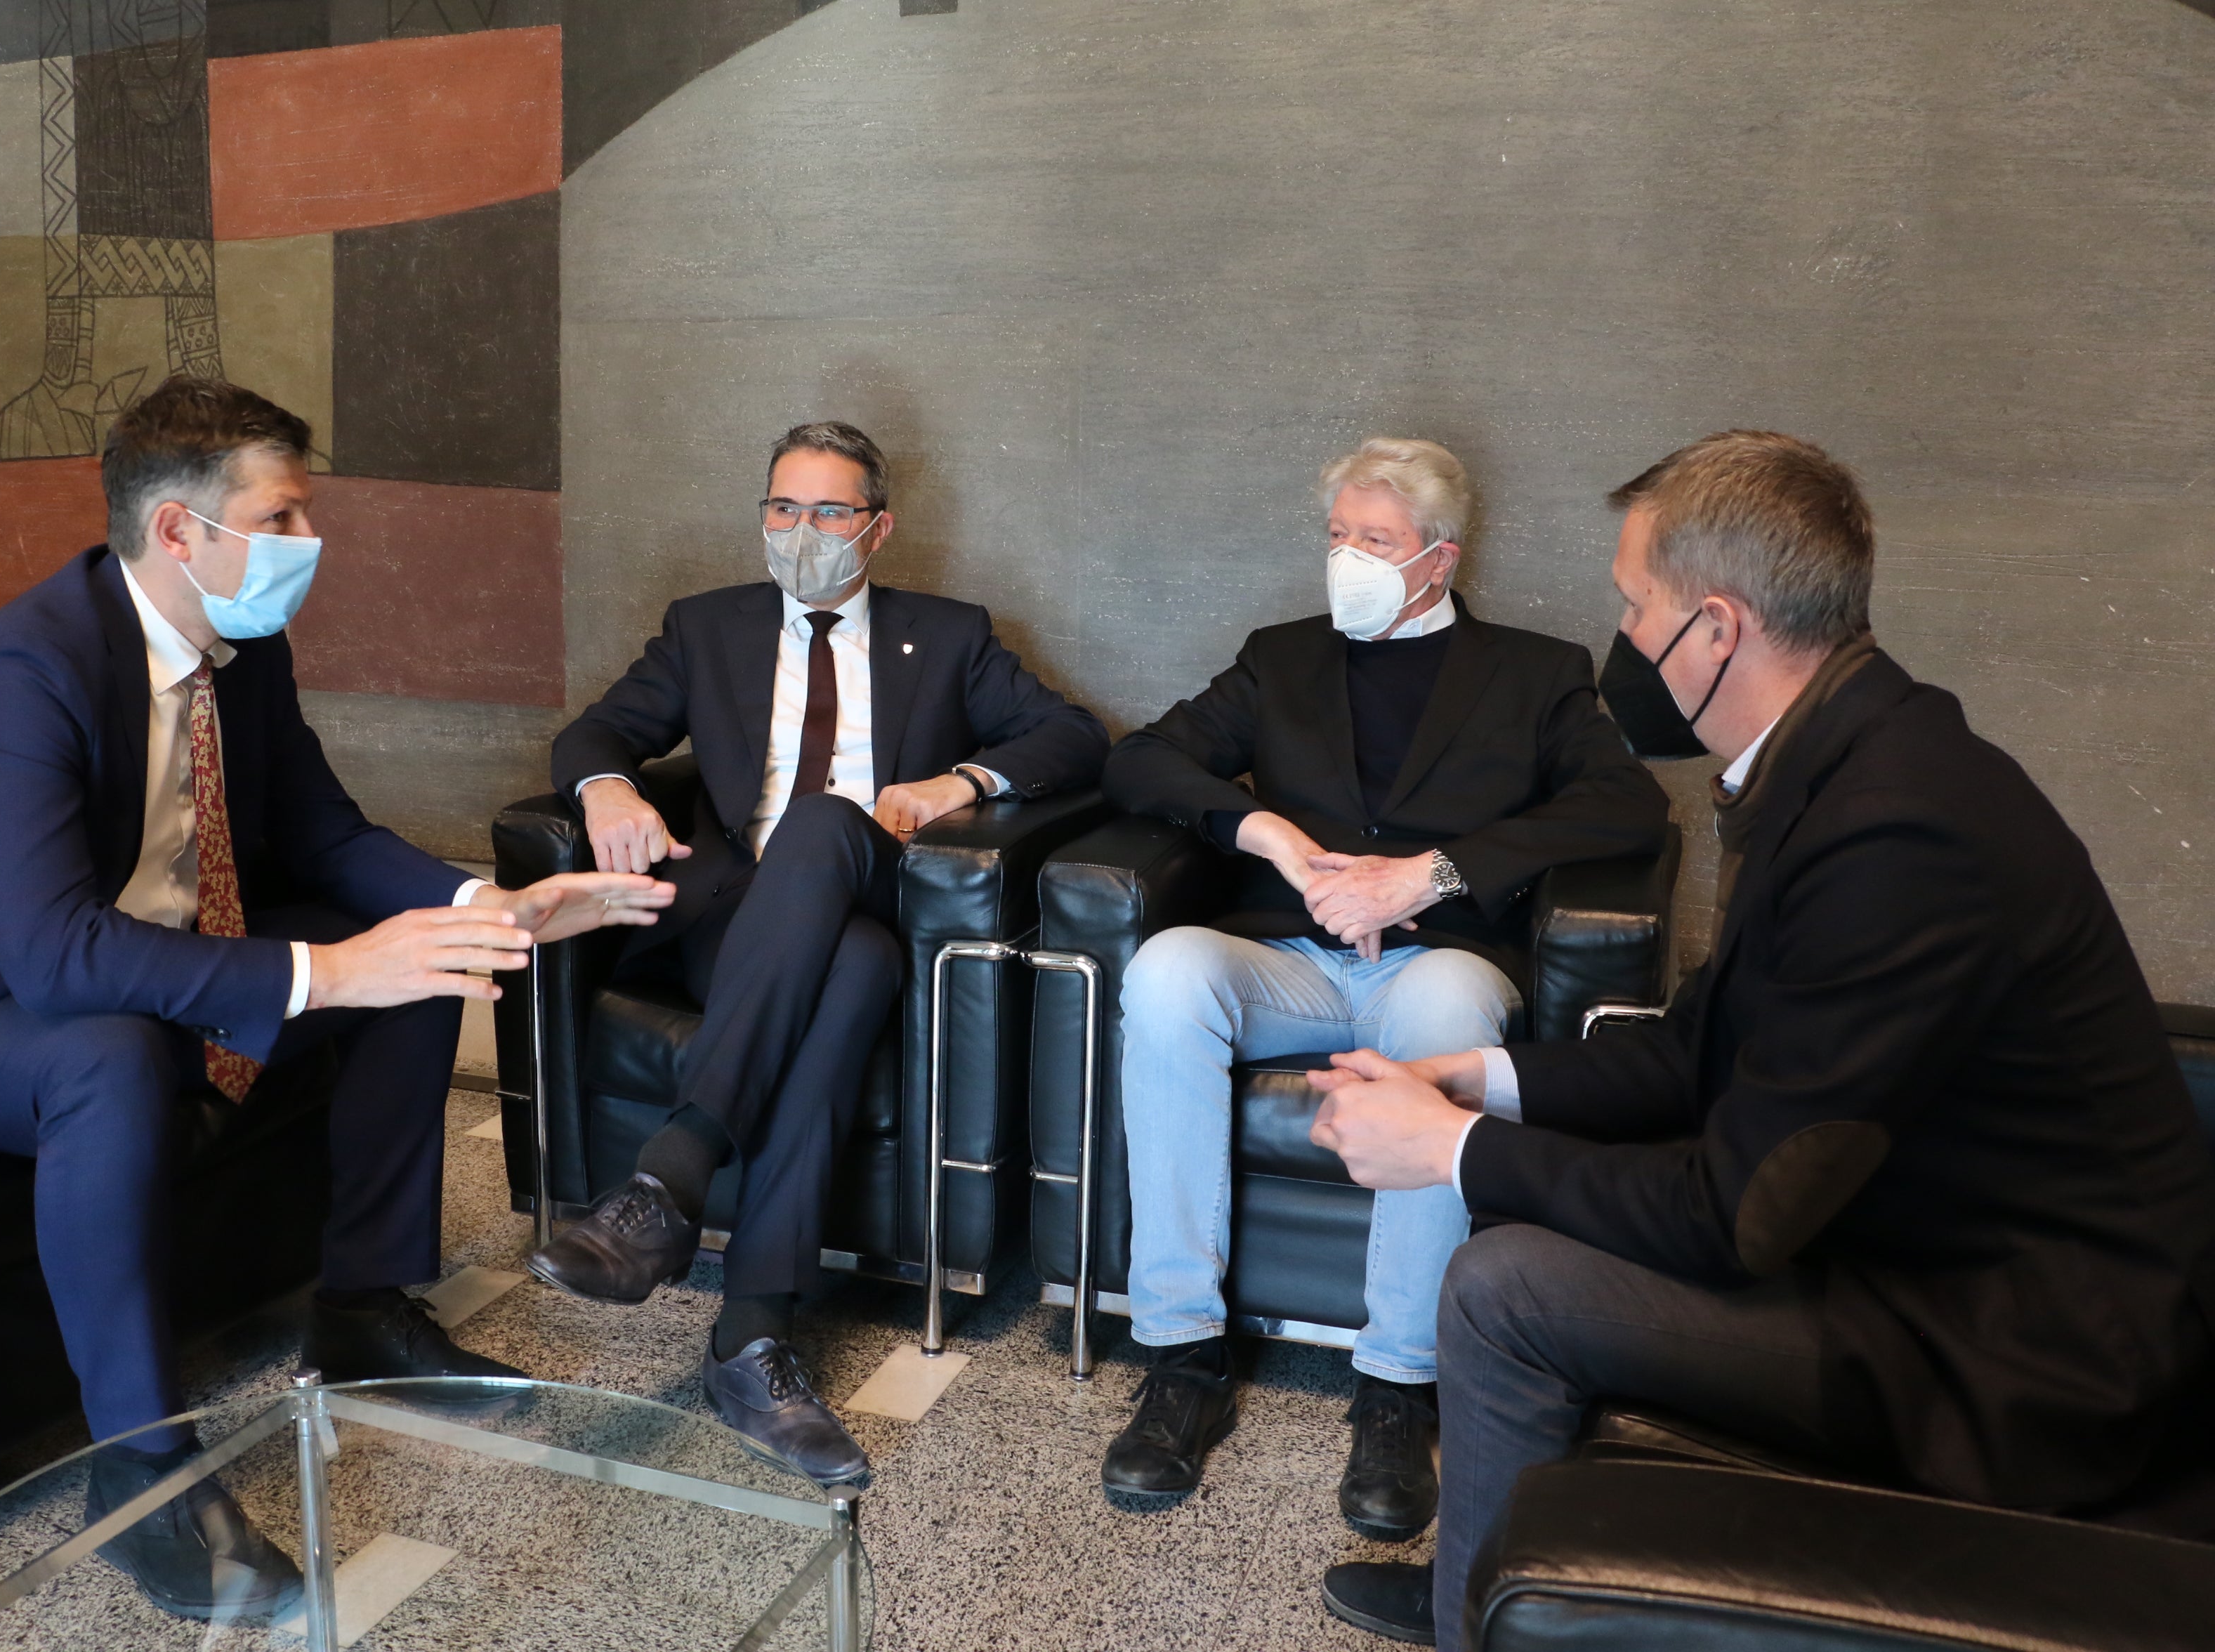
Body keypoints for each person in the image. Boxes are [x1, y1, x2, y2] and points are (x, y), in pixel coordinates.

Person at [0, 377, 671, 1623]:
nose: (311, 545)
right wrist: (327, 970)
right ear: (181, 533)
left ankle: (359, 1309)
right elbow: (51, 958)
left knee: (416, 958)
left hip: (148, 951)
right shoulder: (20, 672)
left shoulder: (239, 648)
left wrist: (483, 905)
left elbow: (319, 831)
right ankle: (140, 1477)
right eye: (285, 517)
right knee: (113, 1058)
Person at [1303, 431, 2215, 1648]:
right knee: (1528, 1205)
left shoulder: (1898, 832)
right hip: (1907, 1252)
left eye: (1635, 606)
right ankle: (1490, 1574)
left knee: (1503, 1284)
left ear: (1718, 627)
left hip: (2016, 1352)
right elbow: (1701, 1049)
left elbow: (1740, 1214)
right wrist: (1480, 1079)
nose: (1621, 639)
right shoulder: (1841, 759)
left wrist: (1454, 1149)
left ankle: (1482, 1619)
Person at [1095, 439, 1669, 1533]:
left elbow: (1627, 805)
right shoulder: (1281, 657)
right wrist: (1267, 833)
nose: (1348, 558)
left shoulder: (1535, 671)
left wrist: (1435, 873)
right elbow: (1144, 757)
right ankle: (1180, 1355)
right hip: (1295, 965)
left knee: (1447, 1010)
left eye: (1377, 541)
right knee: (1168, 970)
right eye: (1338, 535)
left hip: (1436, 963)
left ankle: (1400, 1388)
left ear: (1438, 561)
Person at [525, 420, 1108, 1483]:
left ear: (877, 529)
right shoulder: (707, 629)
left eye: (830, 510)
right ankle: (748, 1341)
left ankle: (670, 1178)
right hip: (736, 924)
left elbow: (1074, 735)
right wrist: (606, 786)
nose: (803, 532)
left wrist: (959, 783)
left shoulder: (950, 632)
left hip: (864, 873)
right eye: (782, 508)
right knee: (856, 971)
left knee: (828, 825)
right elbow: (595, 733)